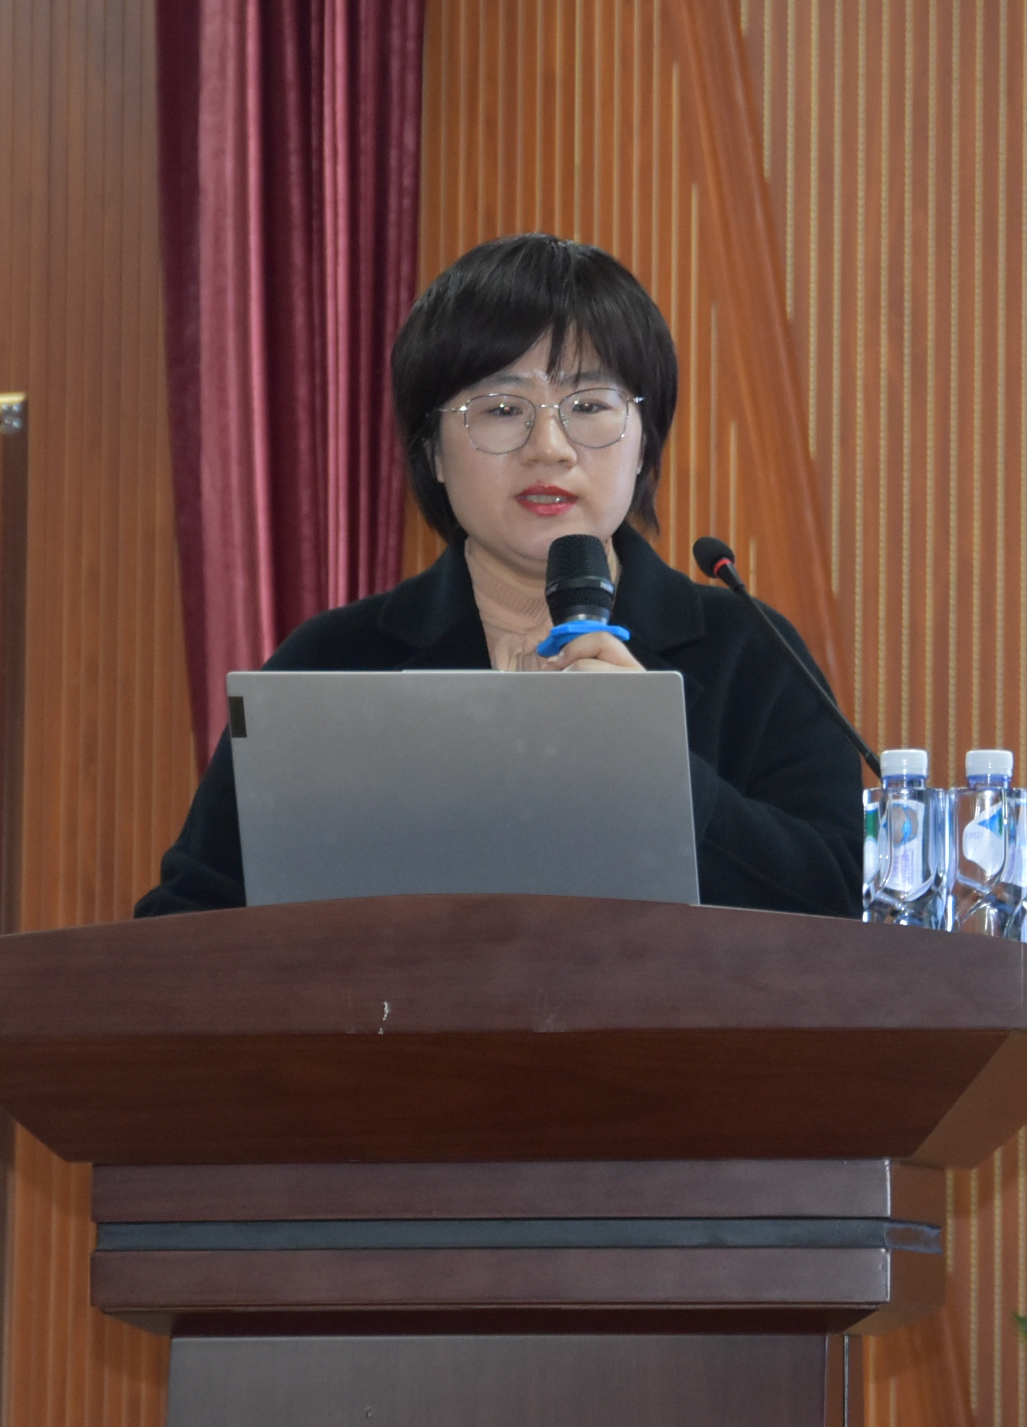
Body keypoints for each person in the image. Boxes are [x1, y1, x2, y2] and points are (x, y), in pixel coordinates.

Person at [135, 232, 865, 919]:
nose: (549, 447)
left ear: (644, 443)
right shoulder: (331, 663)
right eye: (502, 409)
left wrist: (657, 770)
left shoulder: (752, 655)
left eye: (589, 405)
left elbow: (840, 904)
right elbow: (185, 926)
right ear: (433, 452)